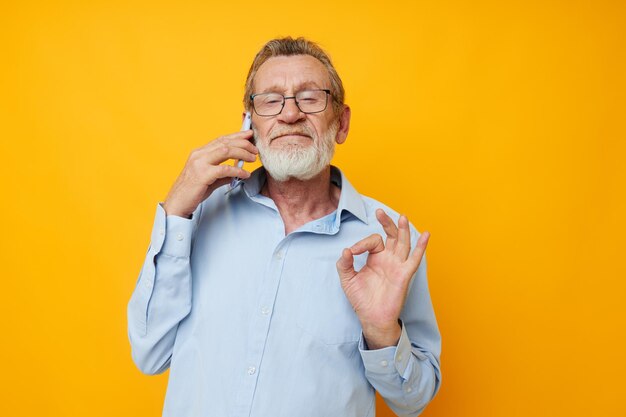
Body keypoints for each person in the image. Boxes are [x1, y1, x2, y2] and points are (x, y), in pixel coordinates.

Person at [128, 37, 441, 417]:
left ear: (341, 123)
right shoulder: (197, 216)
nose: (290, 115)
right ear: (250, 123)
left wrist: (382, 334)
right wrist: (176, 211)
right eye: (271, 100)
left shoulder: (388, 242)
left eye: (310, 98)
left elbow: (413, 401)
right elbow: (149, 352)